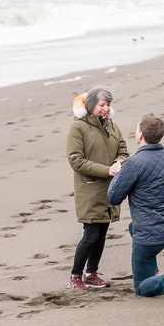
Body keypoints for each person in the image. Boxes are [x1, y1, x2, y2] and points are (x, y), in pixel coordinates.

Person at [107, 112, 164, 301]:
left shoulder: (132, 164)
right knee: (133, 227)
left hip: (149, 236)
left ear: (141, 135)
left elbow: (113, 197)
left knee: (141, 287)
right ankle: (157, 273)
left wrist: (119, 172)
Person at [65, 87, 129, 290]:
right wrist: (107, 170)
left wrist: (119, 162)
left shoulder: (111, 125)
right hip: (90, 190)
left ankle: (91, 274)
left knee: (101, 234)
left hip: (110, 189)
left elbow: (123, 151)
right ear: (91, 105)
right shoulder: (78, 128)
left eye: (108, 105)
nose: (106, 108)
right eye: (102, 104)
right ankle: (75, 276)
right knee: (91, 235)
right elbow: (76, 161)